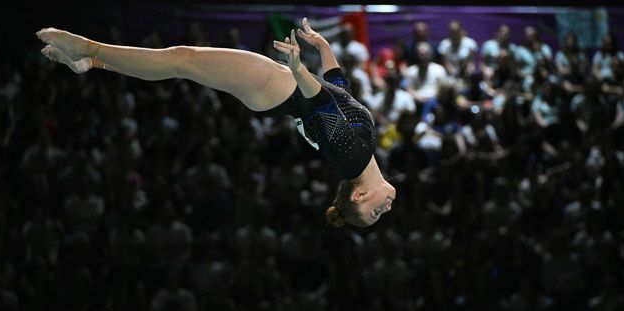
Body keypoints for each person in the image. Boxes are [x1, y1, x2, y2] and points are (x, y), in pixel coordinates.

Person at [36, 17, 395, 228]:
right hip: (282, 90)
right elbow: (341, 89)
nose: (386, 209)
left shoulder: (352, 161)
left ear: (359, 195)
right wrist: (322, 46)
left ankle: (88, 49)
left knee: (183, 60)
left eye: (374, 211)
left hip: (279, 89)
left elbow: (322, 105)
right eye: (380, 212)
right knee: (183, 63)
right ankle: (90, 63)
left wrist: (300, 68)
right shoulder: (363, 153)